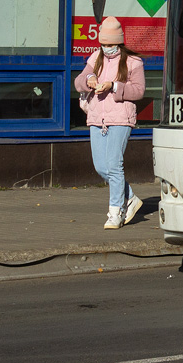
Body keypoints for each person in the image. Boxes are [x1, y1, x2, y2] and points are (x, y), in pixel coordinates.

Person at [74, 16, 146, 229]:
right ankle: (130, 197)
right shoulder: (95, 57)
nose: (107, 49)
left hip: (121, 118)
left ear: (119, 42)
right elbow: (79, 80)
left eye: (111, 45)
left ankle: (116, 212)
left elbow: (139, 91)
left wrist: (114, 86)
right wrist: (89, 80)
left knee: (114, 166)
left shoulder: (133, 61)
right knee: (100, 167)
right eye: (104, 44)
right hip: (97, 118)